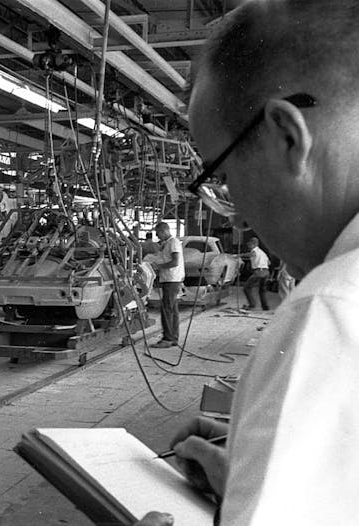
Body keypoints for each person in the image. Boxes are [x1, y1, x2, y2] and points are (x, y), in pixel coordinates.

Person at [140, 1, 359, 524]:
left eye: (221, 176)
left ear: (287, 136)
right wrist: (263, 472)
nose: (235, 215)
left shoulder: (332, 310)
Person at [149, 222, 184, 348]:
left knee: (167, 309)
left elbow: (175, 262)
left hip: (172, 279)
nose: (157, 236)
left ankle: (167, 339)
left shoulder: (173, 242)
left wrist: (159, 267)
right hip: (170, 279)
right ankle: (173, 337)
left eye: (158, 233)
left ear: (163, 231)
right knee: (172, 309)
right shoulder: (167, 243)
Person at [241, 237, 270, 310]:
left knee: (246, 288)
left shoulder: (254, 251)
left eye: (249, 244)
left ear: (254, 244)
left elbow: (251, 254)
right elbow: (269, 263)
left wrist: (238, 255)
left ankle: (252, 304)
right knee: (262, 290)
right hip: (266, 271)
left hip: (259, 272)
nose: (248, 246)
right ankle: (265, 306)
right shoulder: (262, 252)